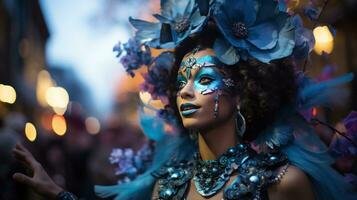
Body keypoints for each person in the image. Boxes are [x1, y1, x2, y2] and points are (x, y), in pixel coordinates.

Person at [12, 0, 357, 199]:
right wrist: (58, 194)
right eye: (180, 83)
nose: (185, 92)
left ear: (243, 92)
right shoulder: (169, 182)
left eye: (203, 79)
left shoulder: (283, 183)